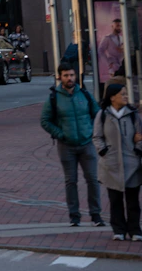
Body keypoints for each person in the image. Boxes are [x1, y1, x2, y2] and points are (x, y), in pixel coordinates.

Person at [45, 63, 107, 227]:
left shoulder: (85, 94)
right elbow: (45, 121)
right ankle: (74, 216)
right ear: (60, 77)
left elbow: (97, 114)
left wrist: (92, 130)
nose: (69, 78)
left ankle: (96, 215)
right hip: (66, 146)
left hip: (86, 144)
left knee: (93, 180)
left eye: (71, 75)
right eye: (66, 75)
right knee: (70, 181)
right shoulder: (54, 97)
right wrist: (60, 134)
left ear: (75, 76)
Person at [97, 78, 142, 241]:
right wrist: (104, 152)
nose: (125, 96)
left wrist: (138, 148)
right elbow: (97, 136)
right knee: (115, 200)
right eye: (122, 94)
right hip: (112, 164)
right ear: (112, 97)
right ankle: (119, 230)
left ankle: (135, 230)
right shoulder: (103, 115)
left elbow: (140, 135)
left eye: (126, 94)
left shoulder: (133, 115)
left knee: (133, 201)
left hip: (132, 163)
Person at [103, 17, 129, 87]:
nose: (119, 28)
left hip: (123, 67)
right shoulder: (107, 38)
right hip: (114, 66)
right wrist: (108, 62)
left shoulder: (122, 38)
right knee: (113, 85)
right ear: (112, 26)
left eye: (120, 26)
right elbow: (100, 50)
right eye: (117, 26)